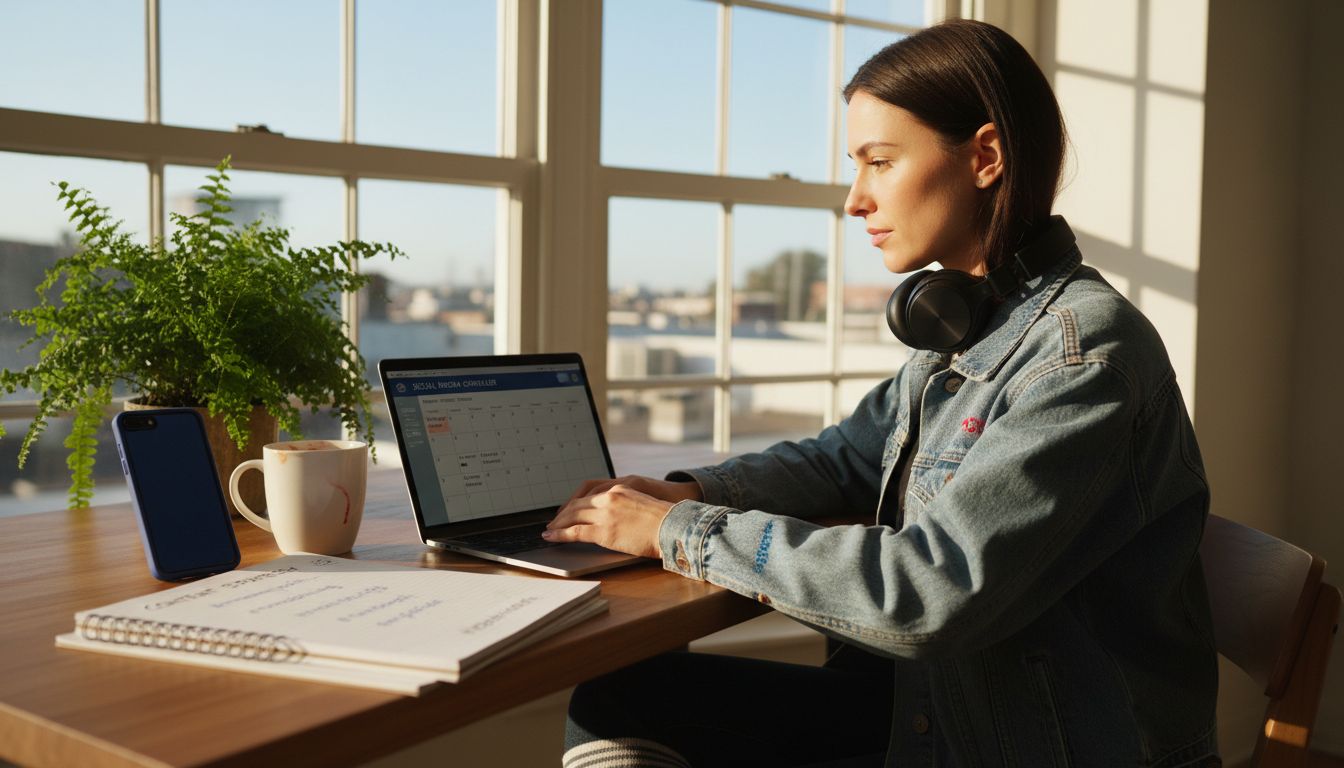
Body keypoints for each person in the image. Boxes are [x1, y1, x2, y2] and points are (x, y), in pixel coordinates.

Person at [545, 18, 1219, 768]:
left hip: (1025, 748)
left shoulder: (1082, 360)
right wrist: (688, 489)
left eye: (880, 161)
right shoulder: (967, 328)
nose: (854, 199)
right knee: (619, 694)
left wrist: (682, 532)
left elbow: (930, 592)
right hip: (935, 715)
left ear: (985, 156)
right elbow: (843, 460)